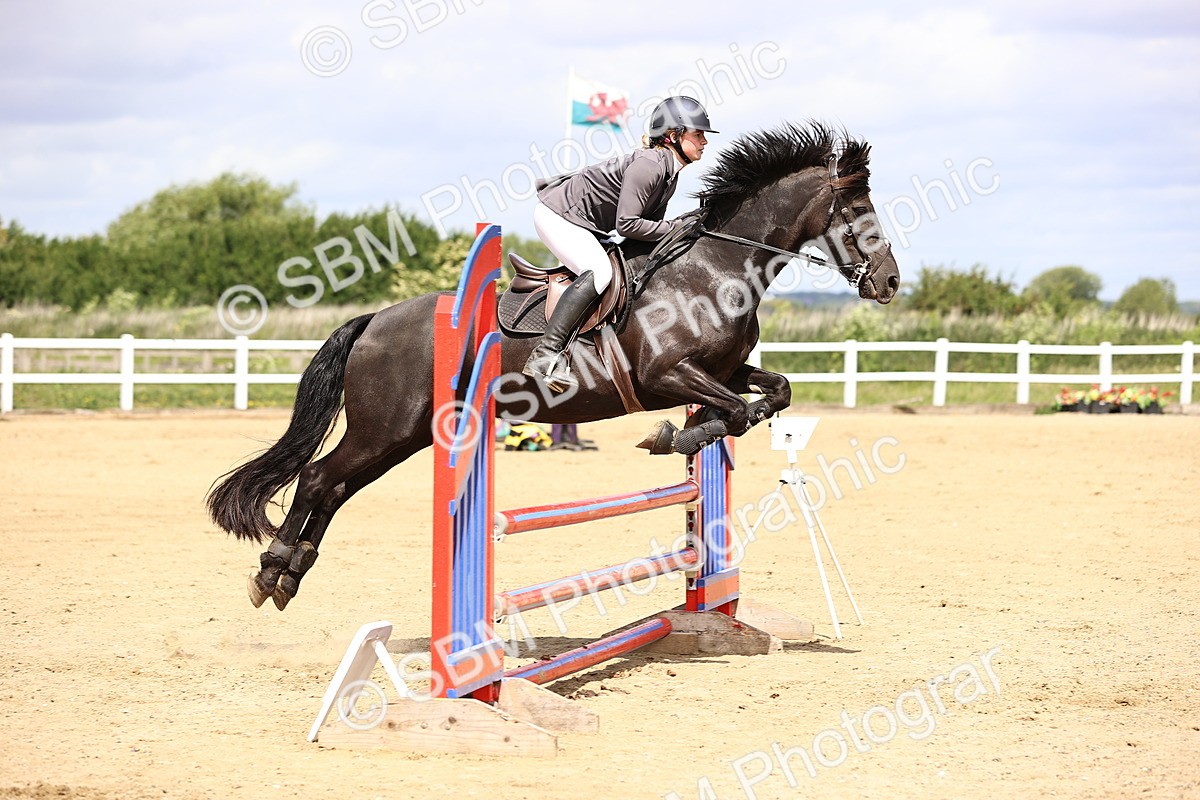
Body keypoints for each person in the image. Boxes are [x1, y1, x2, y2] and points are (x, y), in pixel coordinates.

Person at [523, 95, 718, 392]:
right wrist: (677, 226)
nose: (704, 141)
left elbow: (643, 233)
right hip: (558, 216)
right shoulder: (650, 165)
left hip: (586, 225)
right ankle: (546, 354)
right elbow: (627, 224)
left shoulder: (669, 173)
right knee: (600, 273)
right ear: (673, 136)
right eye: (698, 133)